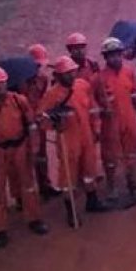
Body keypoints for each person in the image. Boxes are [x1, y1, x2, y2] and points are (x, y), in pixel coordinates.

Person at [0, 67, 48, 248]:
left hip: (20, 148)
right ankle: (0, 230)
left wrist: (34, 149)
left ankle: (34, 219)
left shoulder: (19, 101)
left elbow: (32, 127)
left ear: (7, 82)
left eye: (1, 84)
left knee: (28, 186)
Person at [41, 56, 107, 225]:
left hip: (86, 135)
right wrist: (54, 123)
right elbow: (41, 118)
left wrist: (97, 128)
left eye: (72, 72)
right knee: (68, 178)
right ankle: (71, 212)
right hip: (67, 139)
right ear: (58, 75)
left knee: (89, 170)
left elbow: (92, 109)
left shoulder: (83, 86)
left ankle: (92, 201)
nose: (70, 76)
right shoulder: (51, 95)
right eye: (66, 74)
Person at [95, 37, 136, 203]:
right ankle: (111, 187)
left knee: (132, 151)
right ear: (105, 58)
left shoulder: (128, 72)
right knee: (110, 156)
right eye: (111, 55)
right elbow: (92, 102)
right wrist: (98, 123)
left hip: (129, 117)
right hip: (110, 122)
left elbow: (135, 93)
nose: (115, 58)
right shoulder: (98, 79)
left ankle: (132, 181)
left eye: (117, 54)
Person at [23, 43, 56, 200]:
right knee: (26, 158)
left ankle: (45, 185)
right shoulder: (20, 82)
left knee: (42, 156)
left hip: (38, 121)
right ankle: (26, 193)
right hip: (24, 125)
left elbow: (42, 98)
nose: (39, 68)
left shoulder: (43, 78)